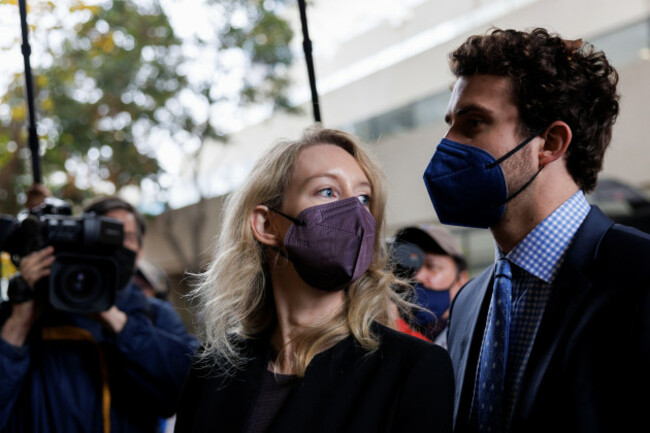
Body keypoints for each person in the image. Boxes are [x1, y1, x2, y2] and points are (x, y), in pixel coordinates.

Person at [422, 28, 650, 433]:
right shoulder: (469, 301)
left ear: (550, 142)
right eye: (450, 124)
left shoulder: (640, 275)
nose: (447, 145)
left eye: (474, 123)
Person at [174, 125, 454, 433]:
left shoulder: (413, 367)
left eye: (363, 198)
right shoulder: (212, 369)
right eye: (327, 191)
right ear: (267, 225)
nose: (354, 213)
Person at [0, 196, 198, 433]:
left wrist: (117, 321)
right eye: (104, 232)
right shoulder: (26, 309)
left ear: (140, 251)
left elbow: (189, 392)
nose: (114, 245)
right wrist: (20, 320)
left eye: (124, 237)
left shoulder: (156, 315)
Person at [394, 225, 469, 347]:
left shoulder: (480, 331)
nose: (418, 276)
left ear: (461, 279)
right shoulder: (387, 323)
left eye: (431, 266)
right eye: (410, 268)